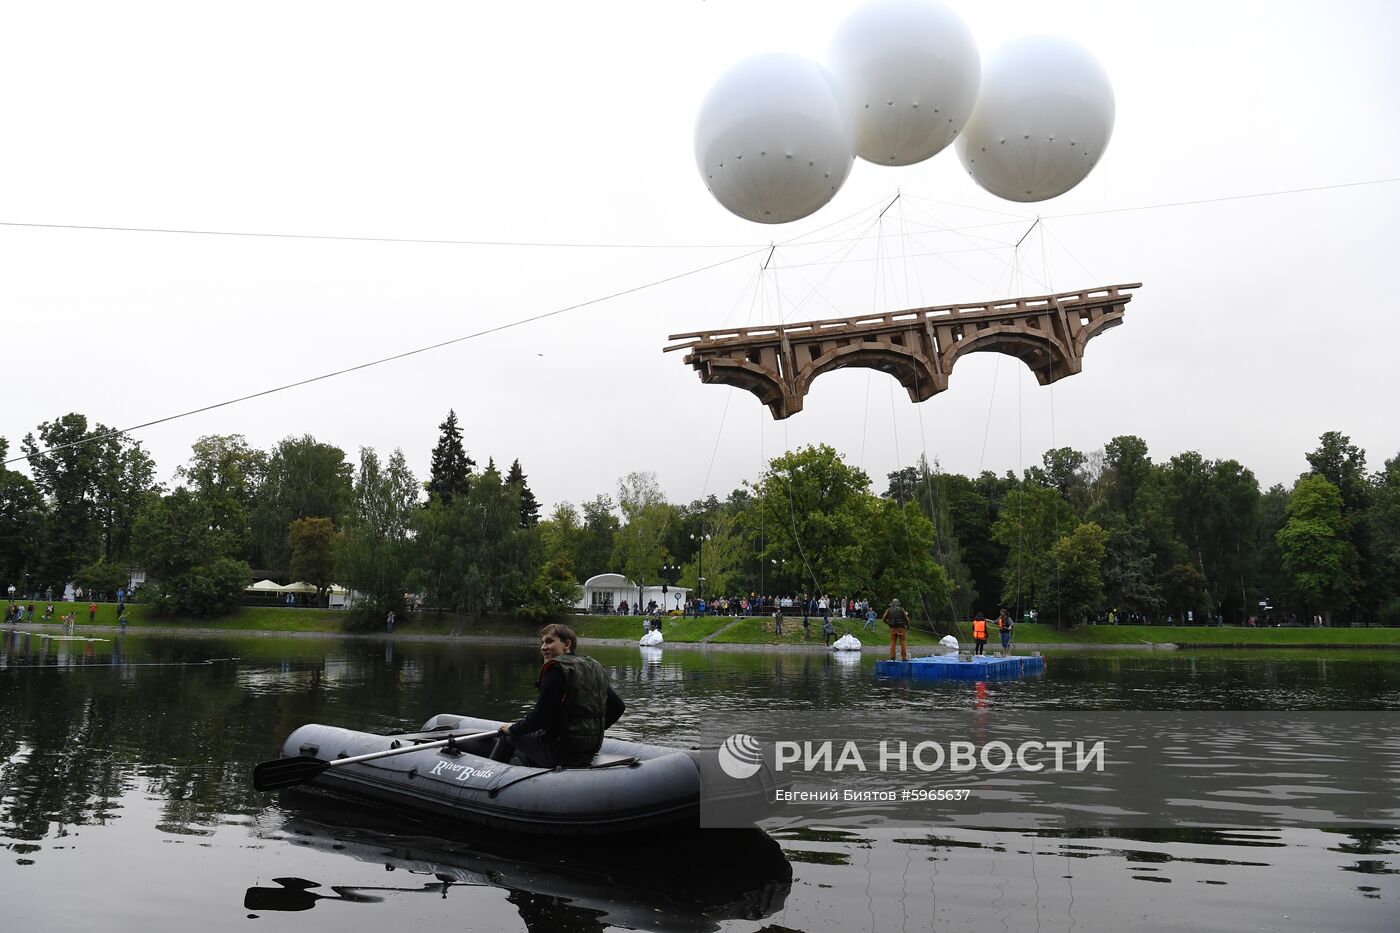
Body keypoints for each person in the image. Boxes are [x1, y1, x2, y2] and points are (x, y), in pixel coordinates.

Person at [492, 623, 625, 769]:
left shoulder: (556, 669)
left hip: (560, 752)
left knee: (507, 735)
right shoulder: (593, 667)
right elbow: (618, 707)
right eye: (542, 642)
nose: (543, 647)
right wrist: (590, 731)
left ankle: (490, 775)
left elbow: (540, 717)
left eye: (549, 641)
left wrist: (512, 729)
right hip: (588, 751)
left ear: (567, 644)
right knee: (531, 736)